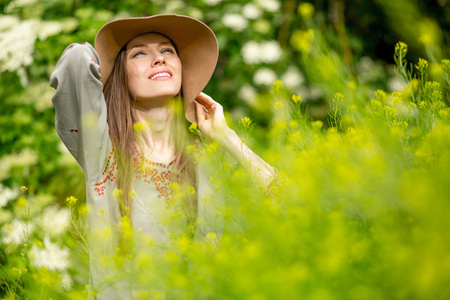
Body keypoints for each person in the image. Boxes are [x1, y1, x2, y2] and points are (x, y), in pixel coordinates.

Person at [50, 14, 277, 298]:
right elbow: (76, 60)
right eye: (140, 53)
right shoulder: (103, 153)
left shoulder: (208, 158)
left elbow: (291, 206)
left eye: (167, 50)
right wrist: (105, 70)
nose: (159, 59)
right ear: (121, 74)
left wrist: (227, 138)